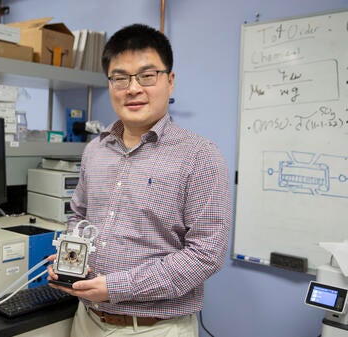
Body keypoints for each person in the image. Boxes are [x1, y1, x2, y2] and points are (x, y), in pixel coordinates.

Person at [47, 23, 232, 337]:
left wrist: (116, 287)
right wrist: (71, 258)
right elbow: (78, 216)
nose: (132, 89)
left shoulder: (200, 155)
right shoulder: (95, 150)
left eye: (147, 76)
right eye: (120, 77)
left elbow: (205, 255)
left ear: (170, 81)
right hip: (86, 320)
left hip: (154, 329)